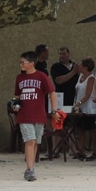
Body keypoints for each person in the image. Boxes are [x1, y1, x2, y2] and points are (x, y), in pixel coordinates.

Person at [14, 51, 61, 182]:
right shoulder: (19, 78)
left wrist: (53, 110)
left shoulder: (41, 76)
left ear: (31, 63)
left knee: (35, 142)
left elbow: (52, 93)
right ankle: (29, 170)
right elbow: (17, 95)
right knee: (30, 141)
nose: (21, 65)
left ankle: (31, 166)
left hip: (39, 115)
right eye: (20, 62)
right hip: (24, 115)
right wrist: (14, 103)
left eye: (23, 62)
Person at [72, 57, 96, 158]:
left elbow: (87, 94)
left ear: (86, 67)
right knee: (80, 128)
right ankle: (81, 149)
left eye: (81, 64)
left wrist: (78, 103)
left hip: (89, 107)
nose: (79, 66)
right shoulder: (80, 76)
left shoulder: (91, 78)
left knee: (90, 129)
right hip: (80, 106)